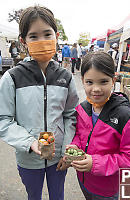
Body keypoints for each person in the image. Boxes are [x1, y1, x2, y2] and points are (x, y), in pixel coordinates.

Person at [0, 5, 79, 200]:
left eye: (47, 34)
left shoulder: (65, 77)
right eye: (33, 36)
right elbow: (4, 119)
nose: (42, 41)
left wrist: (68, 149)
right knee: (33, 195)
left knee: (57, 195)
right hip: (28, 158)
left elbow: (71, 115)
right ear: (23, 41)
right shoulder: (12, 78)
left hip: (59, 157)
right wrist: (29, 143)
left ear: (56, 36)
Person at [65, 52, 130, 200]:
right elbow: (79, 135)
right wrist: (75, 145)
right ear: (82, 80)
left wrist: (95, 164)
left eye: (103, 82)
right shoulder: (82, 109)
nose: (96, 89)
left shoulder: (125, 115)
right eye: (90, 82)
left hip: (110, 190)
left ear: (113, 80)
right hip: (85, 182)